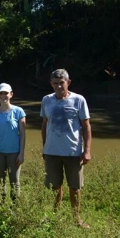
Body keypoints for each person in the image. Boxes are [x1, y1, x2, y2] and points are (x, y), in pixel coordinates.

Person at [41, 69, 91, 228]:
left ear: (68, 83)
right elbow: (44, 125)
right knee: (55, 186)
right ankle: (55, 216)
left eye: (61, 83)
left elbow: (86, 126)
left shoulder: (79, 100)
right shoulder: (46, 100)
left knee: (75, 187)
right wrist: (44, 148)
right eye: (55, 83)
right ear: (51, 84)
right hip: (52, 151)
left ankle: (76, 219)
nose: (58, 86)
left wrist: (87, 150)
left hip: (73, 152)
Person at [0, 83, 26, 202]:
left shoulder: (19, 112)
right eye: (1, 93)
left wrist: (21, 154)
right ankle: (2, 204)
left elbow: (23, 134)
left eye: (6, 93)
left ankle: (15, 207)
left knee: (14, 181)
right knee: (0, 180)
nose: (3, 95)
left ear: (11, 94)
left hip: (14, 152)